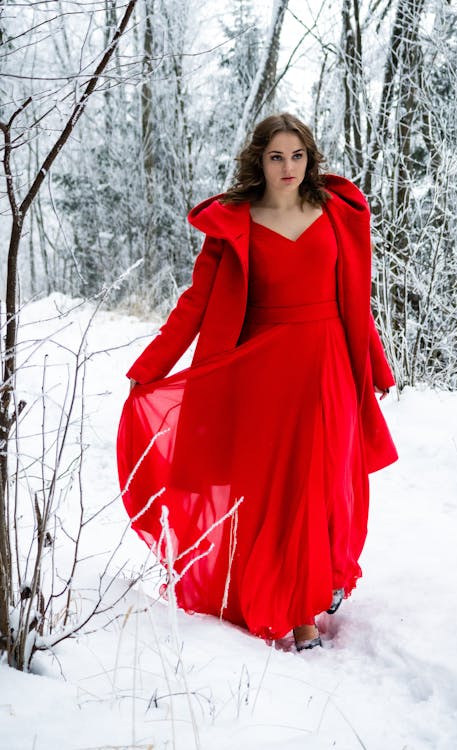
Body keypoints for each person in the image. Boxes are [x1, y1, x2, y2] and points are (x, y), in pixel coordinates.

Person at [117, 112, 398, 652]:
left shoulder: (335, 211)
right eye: (277, 157)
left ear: (310, 159)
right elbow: (195, 304)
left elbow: (355, 302)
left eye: (297, 156)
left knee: (326, 484)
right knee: (281, 491)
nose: (288, 167)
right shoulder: (235, 223)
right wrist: (151, 366)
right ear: (259, 161)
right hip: (264, 372)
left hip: (330, 366)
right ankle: (299, 616)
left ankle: (321, 580)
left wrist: (377, 368)